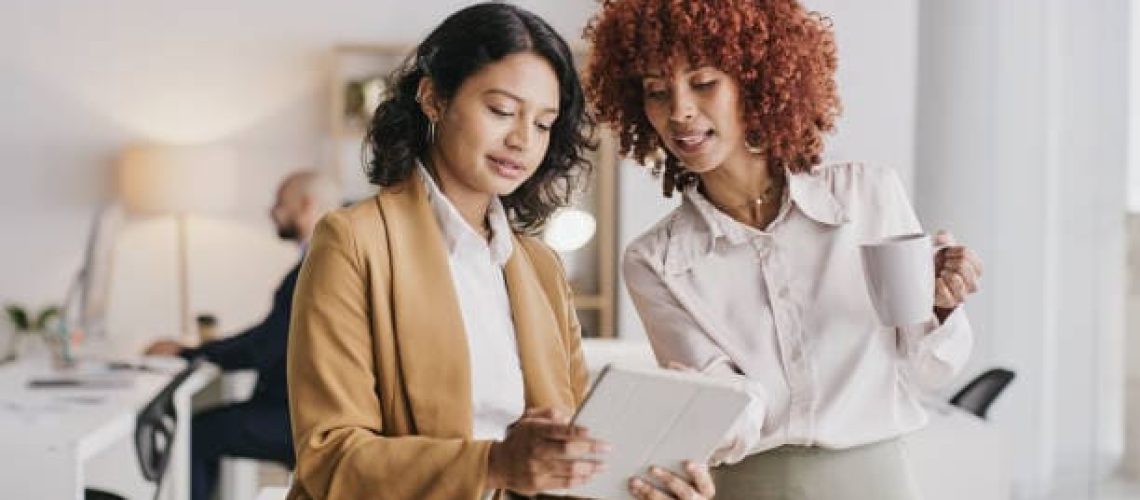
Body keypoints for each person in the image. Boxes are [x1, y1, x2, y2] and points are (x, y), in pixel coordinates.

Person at [286, 4, 715, 500]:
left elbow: (569, 449)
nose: (521, 140)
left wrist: (651, 479)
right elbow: (329, 456)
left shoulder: (540, 267)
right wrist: (493, 465)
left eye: (542, 124)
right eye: (502, 111)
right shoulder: (353, 241)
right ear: (433, 98)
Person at [584, 1, 984, 498]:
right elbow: (729, 411)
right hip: (747, 485)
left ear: (755, 81)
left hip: (875, 480)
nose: (680, 111)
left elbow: (929, 367)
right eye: (657, 92)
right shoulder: (655, 260)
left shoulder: (866, 196)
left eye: (703, 82)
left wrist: (942, 305)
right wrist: (662, 425)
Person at [144, 170, 340, 500]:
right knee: (207, 431)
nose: (272, 212)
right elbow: (268, 338)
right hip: (308, 410)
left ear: (306, 206)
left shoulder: (316, 266)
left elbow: (263, 348)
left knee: (193, 436)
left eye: (280, 203)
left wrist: (187, 353)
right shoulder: (326, 258)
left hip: (295, 417)